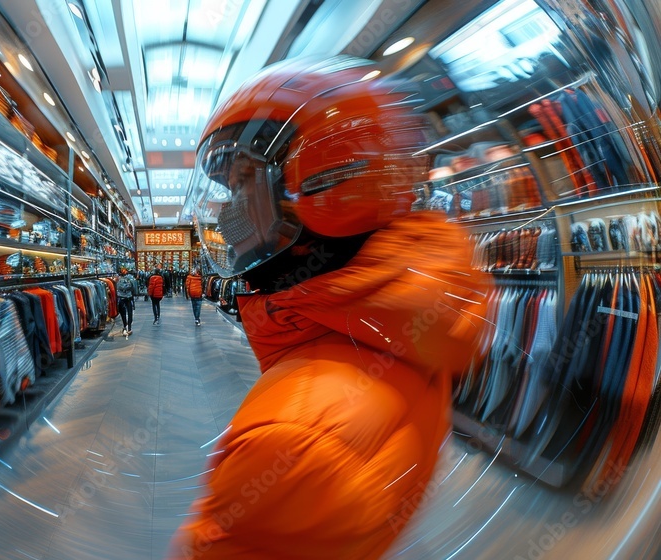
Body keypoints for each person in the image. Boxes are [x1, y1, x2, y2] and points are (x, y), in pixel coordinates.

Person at [168, 56, 489, 559]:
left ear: (324, 186)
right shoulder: (393, 318)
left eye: (241, 184)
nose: (227, 212)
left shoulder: (289, 441)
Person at [115, 267, 137, 337]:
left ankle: (125, 327)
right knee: (129, 312)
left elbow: (117, 288)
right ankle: (129, 328)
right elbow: (134, 287)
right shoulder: (131, 278)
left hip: (121, 297)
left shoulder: (117, 278)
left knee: (123, 313)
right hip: (128, 297)